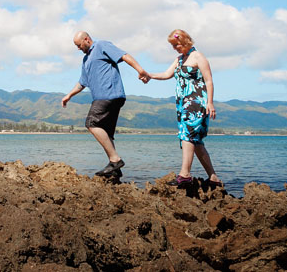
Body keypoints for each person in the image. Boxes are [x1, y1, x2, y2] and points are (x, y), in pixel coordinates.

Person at [61, 31, 150, 177]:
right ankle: (115, 170)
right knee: (106, 133)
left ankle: (115, 160)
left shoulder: (101, 45)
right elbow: (82, 82)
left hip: (109, 95)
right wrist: (69, 95)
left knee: (91, 123)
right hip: (106, 98)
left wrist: (140, 70)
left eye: (79, 45)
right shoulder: (86, 60)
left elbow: (124, 55)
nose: (78, 48)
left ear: (86, 39)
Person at [146, 29, 223, 187]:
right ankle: (213, 178)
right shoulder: (180, 59)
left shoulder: (198, 57)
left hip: (196, 103)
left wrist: (210, 102)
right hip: (183, 104)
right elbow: (167, 74)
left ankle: (185, 175)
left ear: (186, 41)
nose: (175, 48)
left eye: (177, 45)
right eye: (173, 46)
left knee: (187, 136)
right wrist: (148, 75)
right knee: (197, 142)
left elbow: (209, 81)